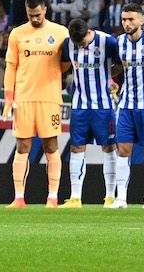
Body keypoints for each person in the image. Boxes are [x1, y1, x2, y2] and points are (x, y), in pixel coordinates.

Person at [1, 0, 70, 208]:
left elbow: (66, 64)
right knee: (22, 146)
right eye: (31, 15)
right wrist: (8, 96)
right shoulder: (17, 33)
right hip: (24, 97)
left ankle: (52, 197)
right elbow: (11, 66)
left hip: (50, 97)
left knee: (51, 145)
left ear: (45, 10)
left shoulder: (60, 32)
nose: (35, 19)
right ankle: (19, 198)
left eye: (38, 15)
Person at [108, 4, 144, 209]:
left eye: (131, 19)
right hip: (126, 104)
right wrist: (108, 78)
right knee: (123, 150)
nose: (127, 23)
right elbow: (116, 67)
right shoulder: (119, 42)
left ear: (141, 20)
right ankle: (121, 198)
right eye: (124, 19)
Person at [60, 19, 115, 207]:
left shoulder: (107, 41)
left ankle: (110, 196)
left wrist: (110, 79)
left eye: (82, 42)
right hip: (80, 106)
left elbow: (121, 64)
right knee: (76, 148)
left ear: (88, 32)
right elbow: (62, 64)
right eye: (77, 44)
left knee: (109, 148)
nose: (80, 46)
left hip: (103, 106)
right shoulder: (68, 44)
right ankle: (75, 197)